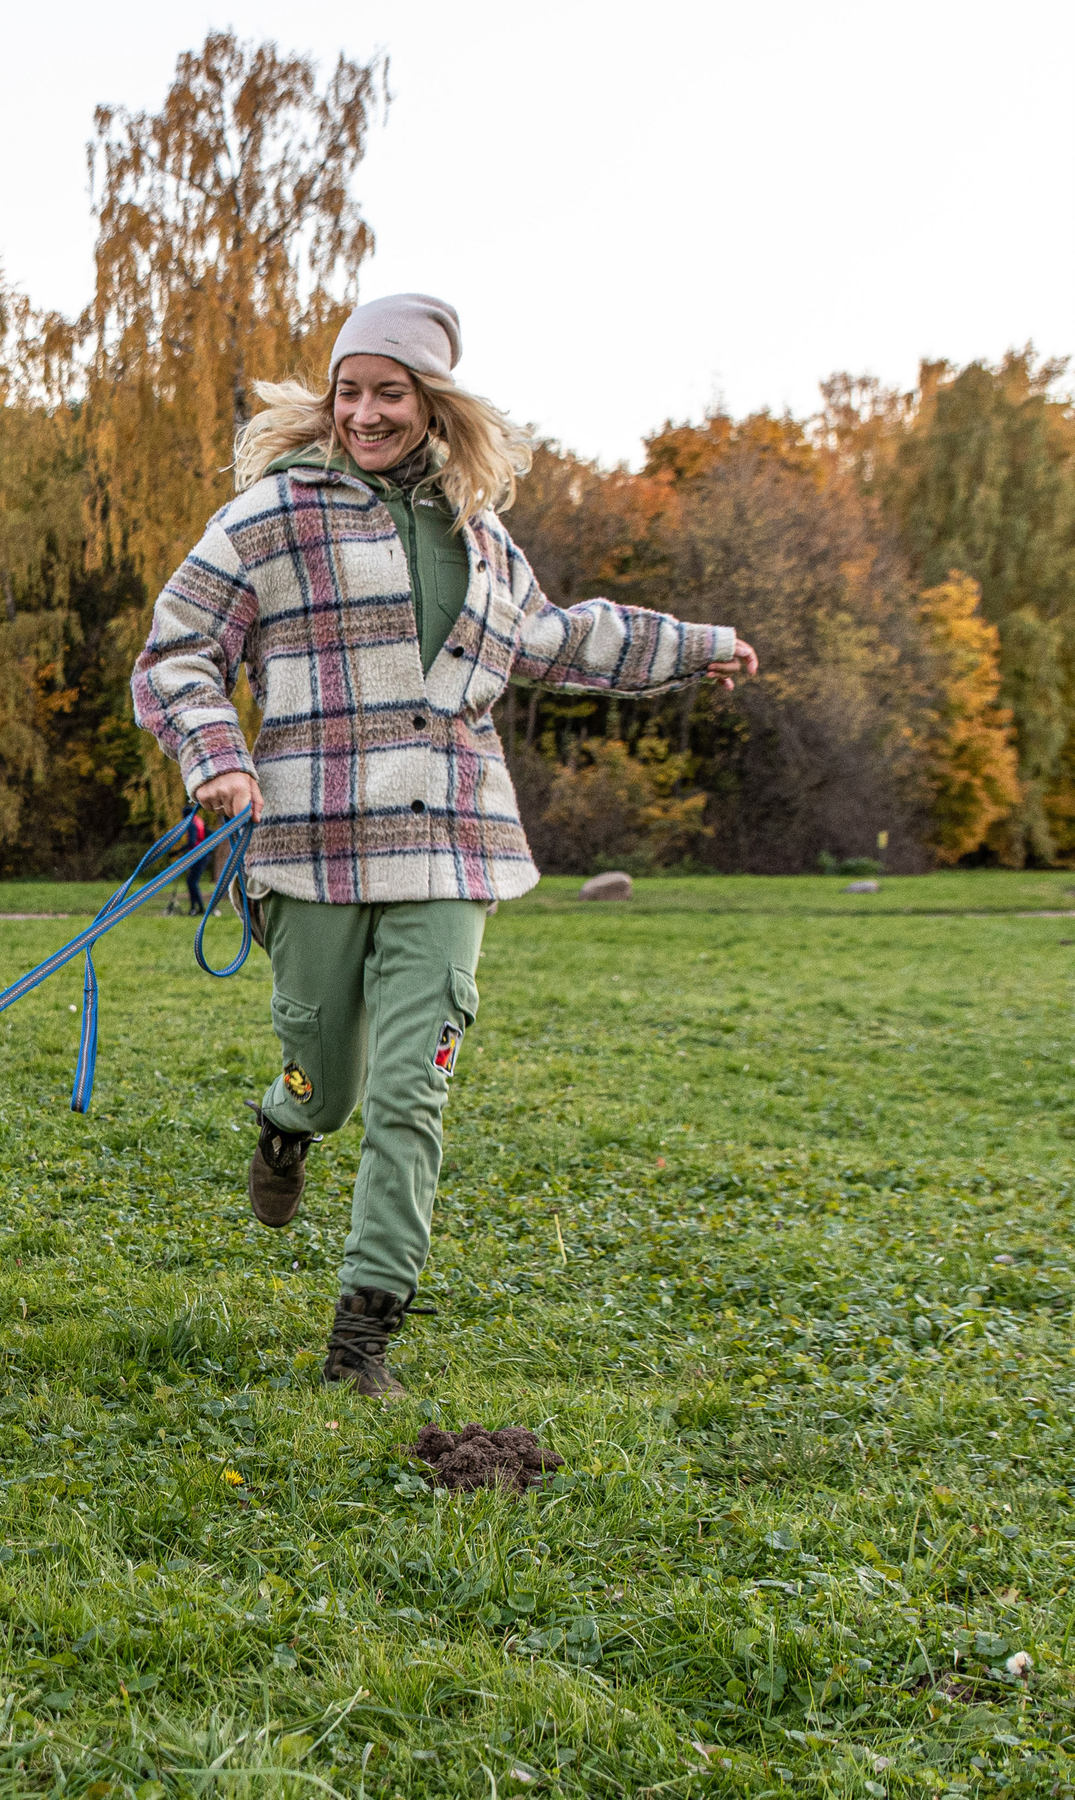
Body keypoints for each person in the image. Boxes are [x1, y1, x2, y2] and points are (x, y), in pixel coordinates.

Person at [132, 293, 758, 1399]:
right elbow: (176, 650)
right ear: (328, 400)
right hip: (315, 838)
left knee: (413, 1091)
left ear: (432, 404)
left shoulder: (478, 532)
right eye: (349, 390)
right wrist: (216, 755)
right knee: (326, 1081)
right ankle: (286, 1124)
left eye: (390, 392)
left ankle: (362, 1334)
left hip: (453, 841)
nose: (366, 412)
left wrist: (688, 647)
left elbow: (557, 638)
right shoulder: (269, 517)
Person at [180, 803, 212, 916]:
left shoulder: (192, 824)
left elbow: (192, 842)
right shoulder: (199, 821)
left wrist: (180, 851)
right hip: (201, 854)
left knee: (192, 882)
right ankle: (195, 908)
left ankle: (199, 908)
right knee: (191, 882)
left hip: (199, 855)